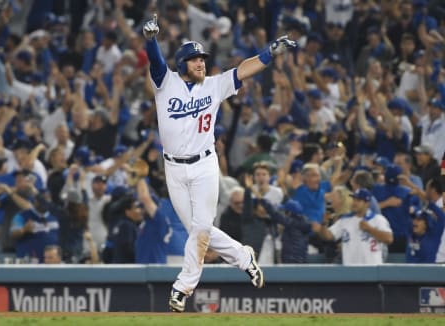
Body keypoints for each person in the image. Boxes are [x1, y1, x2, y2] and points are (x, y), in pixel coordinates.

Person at [143, 14, 296, 312]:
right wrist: (151, 41)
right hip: (173, 168)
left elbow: (243, 70)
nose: (201, 63)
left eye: (202, 59)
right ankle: (242, 256)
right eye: (195, 59)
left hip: (204, 166)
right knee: (198, 232)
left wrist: (269, 54)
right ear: (182, 63)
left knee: (201, 229)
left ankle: (182, 288)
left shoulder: (214, 85)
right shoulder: (165, 82)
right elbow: (156, 62)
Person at [312, 188, 393, 265]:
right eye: (354, 199)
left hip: (372, 269)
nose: (354, 203)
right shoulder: (345, 220)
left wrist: (370, 229)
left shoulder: (378, 219)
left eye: (358, 200)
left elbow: (389, 239)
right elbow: (328, 236)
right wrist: (324, 224)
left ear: (367, 203)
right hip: (350, 271)